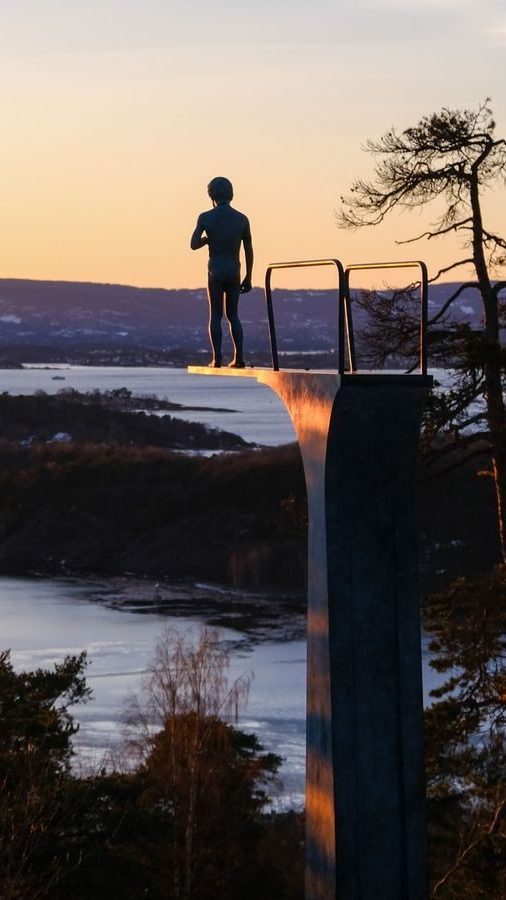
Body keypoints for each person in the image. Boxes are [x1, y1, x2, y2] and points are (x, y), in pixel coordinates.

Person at [190, 177, 253, 368]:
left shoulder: (206, 217)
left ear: (211, 195)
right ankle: (239, 357)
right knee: (233, 315)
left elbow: (193, 244)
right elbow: (249, 249)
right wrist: (249, 276)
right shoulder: (242, 219)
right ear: (231, 194)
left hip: (215, 270)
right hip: (234, 269)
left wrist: (208, 240)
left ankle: (217, 358)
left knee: (215, 315)